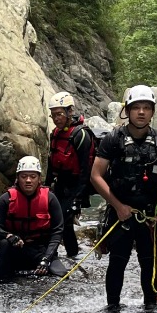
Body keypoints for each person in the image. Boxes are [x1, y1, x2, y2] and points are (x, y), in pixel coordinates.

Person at [90, 83, 157, 311]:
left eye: (146, 108)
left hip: (151, 217)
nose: (141, 112)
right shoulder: (113, 139)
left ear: (152, 111)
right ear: (127, 110)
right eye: (136, 107)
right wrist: (118, 206)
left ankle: (150, 309)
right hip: (121, 215)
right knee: (117, 262)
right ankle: (112, 309)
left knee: (149, 265)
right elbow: (95, 176)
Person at [0, 156, 64, 283]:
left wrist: (46, 258)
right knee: (4, 244)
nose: (28, 180)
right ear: (17, 178)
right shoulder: (5, 199)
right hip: (16, 249)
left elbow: (57, 231)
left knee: (62, 275)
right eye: (24, 176)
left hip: (41, 250)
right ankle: (1, 283)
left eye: (33, 176)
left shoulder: (50, 199)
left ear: (39, 178)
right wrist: (9, 236)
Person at [47, 91, 94, 258]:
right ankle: (69, 254)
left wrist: (78, 198)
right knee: (58, 220)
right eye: (53, 115)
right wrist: (45, 187)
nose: (56, 118)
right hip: (61, 183)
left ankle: (64, 254)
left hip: (76, 185)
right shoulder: (55, 134)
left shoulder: (81, 135)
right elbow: (51, 162)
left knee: (63, 220)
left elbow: (86, 169)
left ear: (69, 112)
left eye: (59, 114)